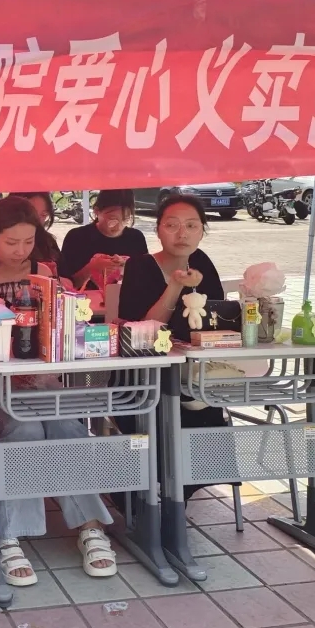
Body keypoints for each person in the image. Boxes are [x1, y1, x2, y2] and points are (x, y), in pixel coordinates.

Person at [0, 196, 117, 584]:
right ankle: (9, 534)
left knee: (69, 426)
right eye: (11, 242)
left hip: (42, 381)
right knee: (26, 429)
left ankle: (89, 527)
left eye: (28, 241)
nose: (20, 251)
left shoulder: (44, 274)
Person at [118, 195, 229, 498]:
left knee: (203, 412)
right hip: (143, 380)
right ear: (158, 230)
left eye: (191, 226)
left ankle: (179, 496)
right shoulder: (140, 266)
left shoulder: (202, 262)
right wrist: (176, 285)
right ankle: (158, 497)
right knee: (168, 418)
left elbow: (216, 320)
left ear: (202, 231)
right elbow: (143, 330)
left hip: (189, 376)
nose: (182, 234)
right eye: (172, 225)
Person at [60, 189, 148, 290]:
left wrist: (128, 267)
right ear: (97, 211)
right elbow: (65, 285)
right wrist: (91, 267)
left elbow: (145, 279)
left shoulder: (136, 238)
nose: (118, 227)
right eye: (112, 220)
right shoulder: (77, 237)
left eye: (125, 219)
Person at [8, 192, 63, 272]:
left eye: (44, 214)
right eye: (31, 213)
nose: (38, 220)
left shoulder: (48, 241)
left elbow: (65, 273)